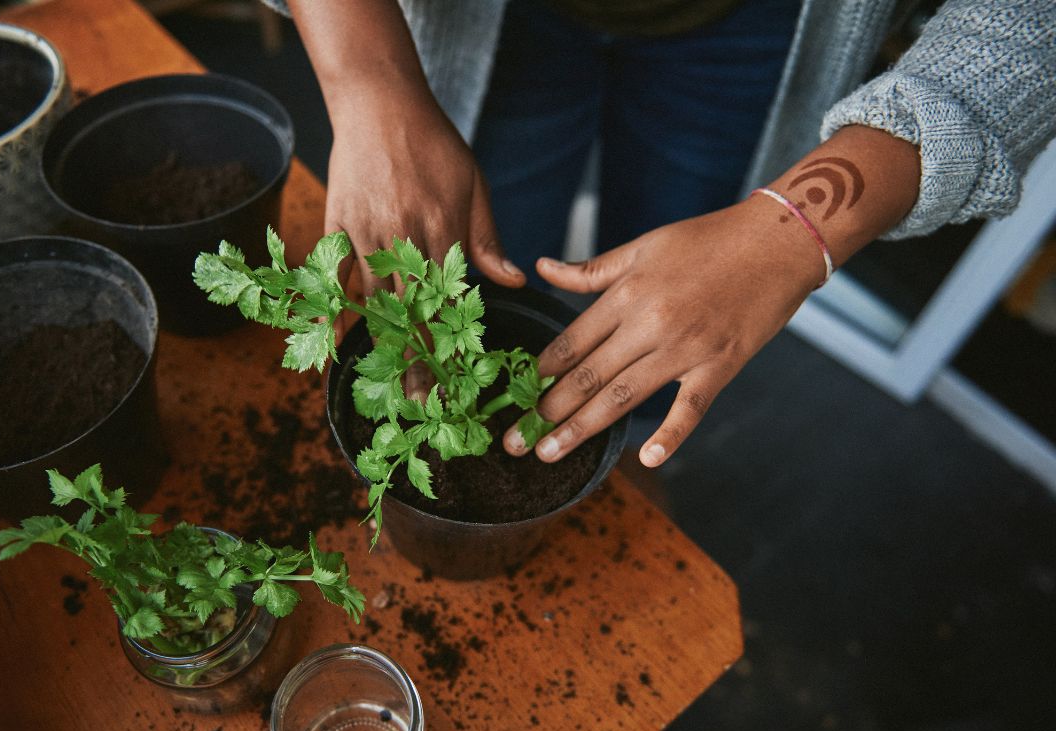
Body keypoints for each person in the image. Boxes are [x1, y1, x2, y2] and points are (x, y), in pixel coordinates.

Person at [271, 0, 1056, 468]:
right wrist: (368, 81)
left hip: (749, 25)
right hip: (497, 16)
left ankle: (619, 462)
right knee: (473, 279)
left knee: (674, 324)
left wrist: (794, 230)